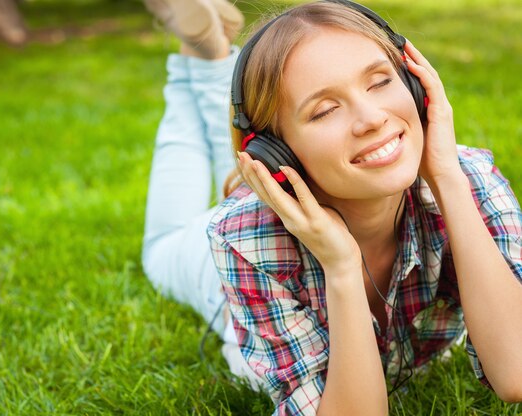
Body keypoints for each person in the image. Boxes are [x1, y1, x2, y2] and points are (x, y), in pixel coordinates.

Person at [142, 0, 522, 414]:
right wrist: (341, 267)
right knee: (160, 248)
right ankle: (198, 58)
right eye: (325, 110)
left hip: (315, 188)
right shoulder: (244, 238)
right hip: (237, 253)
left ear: (417, 85)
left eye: (379, 82)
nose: (372, 118)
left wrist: (447, 179)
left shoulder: (465, 174)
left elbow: (517, 373)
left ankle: (212, 58)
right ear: (278, 155)